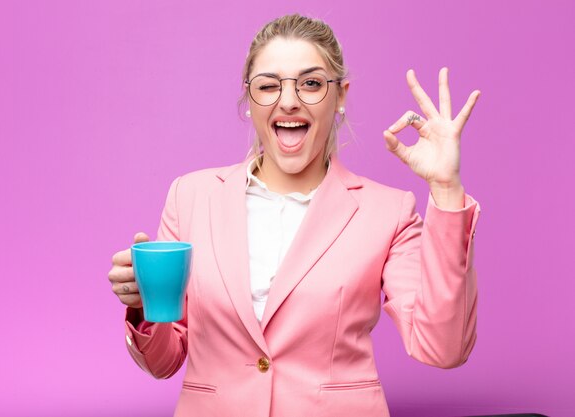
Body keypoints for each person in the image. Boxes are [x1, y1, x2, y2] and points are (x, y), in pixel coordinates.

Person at [108, 14, 481, 417]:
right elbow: (163, 362)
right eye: (268, 86)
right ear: (249, 100)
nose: (288, 100)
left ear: (340, 96)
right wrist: (145, 306)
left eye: (311, 83)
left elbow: (443, 348)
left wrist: (445, 190)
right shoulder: (190, 196)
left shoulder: (389, 212)